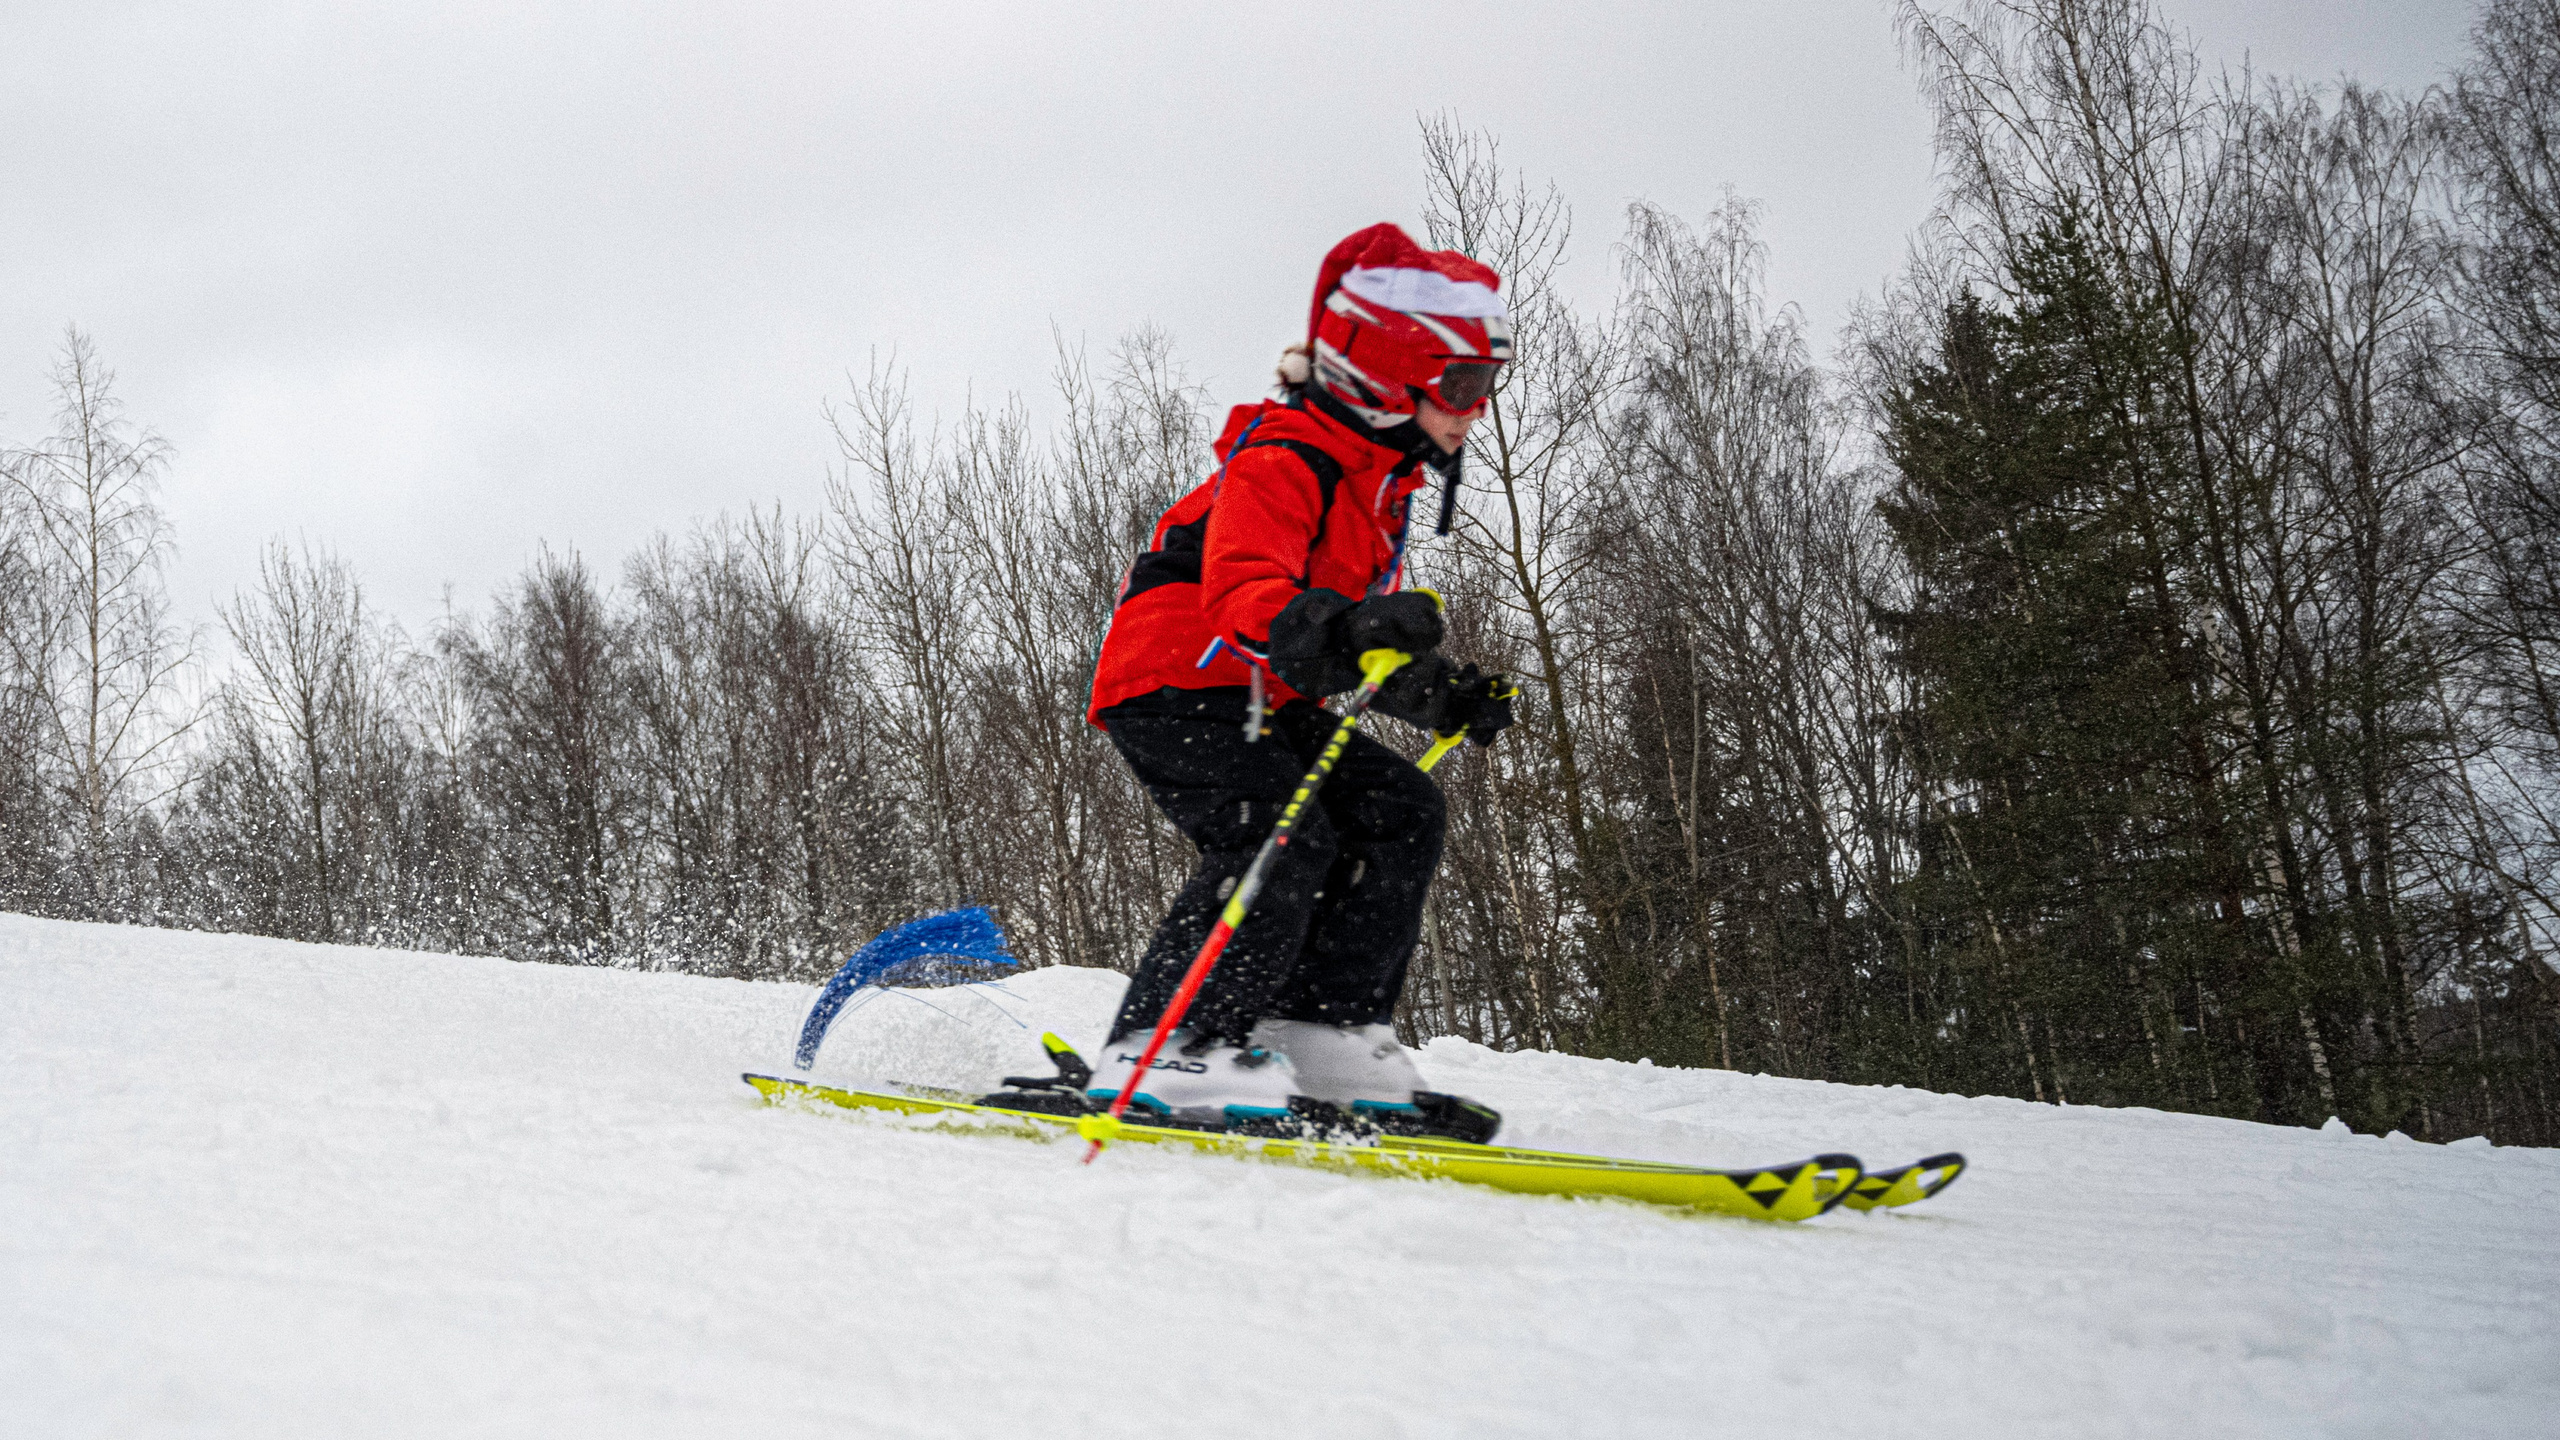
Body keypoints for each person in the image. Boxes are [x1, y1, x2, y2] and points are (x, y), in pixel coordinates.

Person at [1079, 222, 1519, 1126]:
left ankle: (1322, 1030)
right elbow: (1249, 598)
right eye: (1463, 384)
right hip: (1173, 682)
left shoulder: (1377, 486)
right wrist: (1349, 625)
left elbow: (1342, 646)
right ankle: (1170, 1047)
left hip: (1255, 693)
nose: (1475, 408)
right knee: (1284, 832)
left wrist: (1438, 693)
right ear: (1389, 377)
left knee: (1402, 810)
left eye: (1488, 385)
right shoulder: (1285, 457)